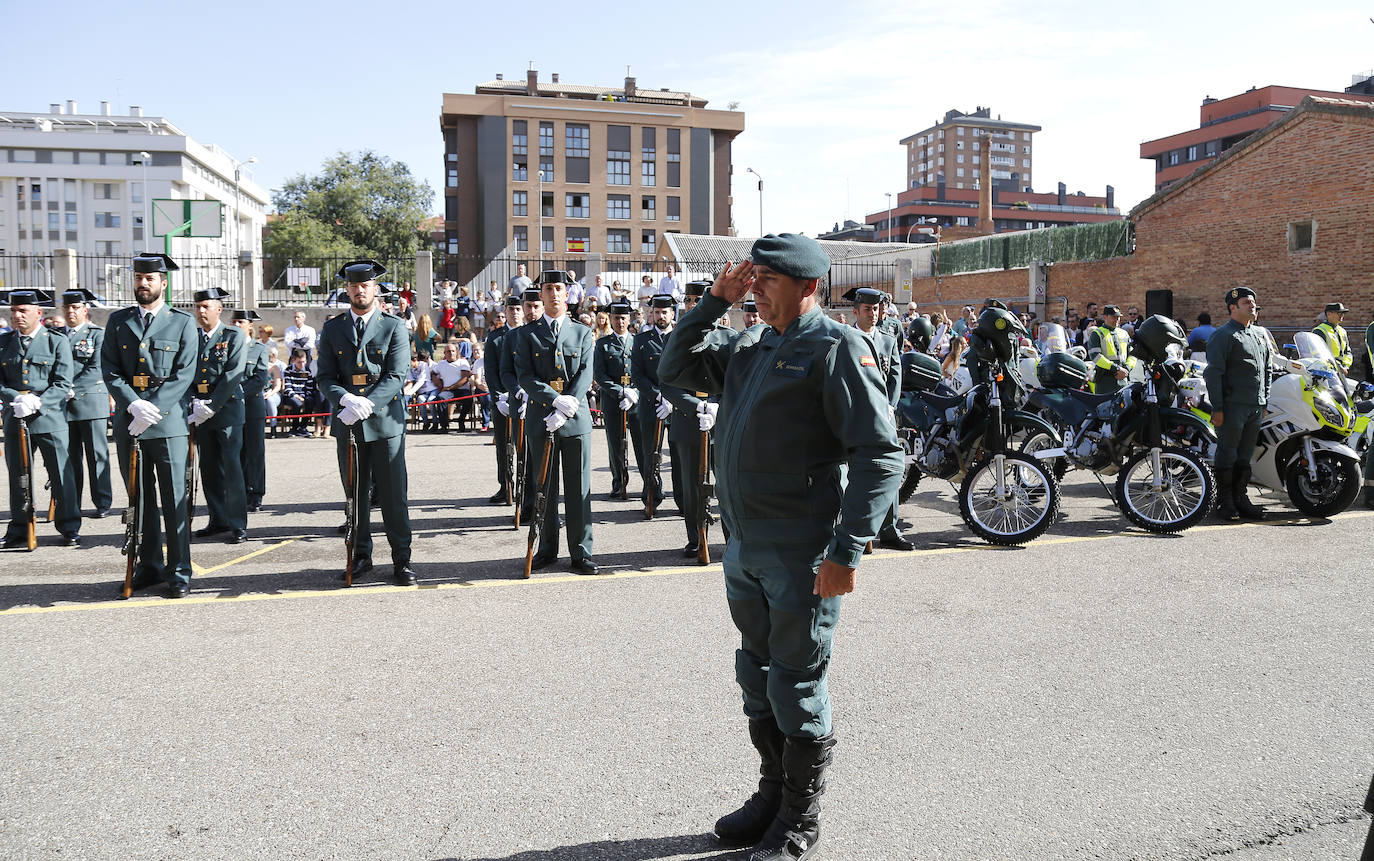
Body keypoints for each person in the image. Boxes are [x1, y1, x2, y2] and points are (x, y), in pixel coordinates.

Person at [658, 233, 902, 861]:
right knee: (757, 672)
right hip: (746, 545)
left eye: (769, 279)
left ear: (808, 286)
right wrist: (713, 303)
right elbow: (674, 369)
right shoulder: (752, 345)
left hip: (801, 551)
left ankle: (799, 817)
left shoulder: (836, 348)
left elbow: (880, 455)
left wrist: (847, 551)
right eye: (753, 276)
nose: (756, 288)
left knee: (796, 681)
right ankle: (772, 793)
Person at [100, 253, 198, 597]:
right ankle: (149, 566)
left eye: (150, 278)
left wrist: (152, 408)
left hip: (167, 423)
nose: (143, 284)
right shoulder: (118, 321)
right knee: (138, 500)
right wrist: (133, 404)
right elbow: (110, 369)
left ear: (163, 283)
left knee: (174, 500)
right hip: (130, 421)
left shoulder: (182, 322)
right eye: (139, 278)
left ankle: (179, 571)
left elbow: (184, 373)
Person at [316, 259, 415, 585]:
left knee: (393, 496)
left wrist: (367, 404)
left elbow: (396, 375)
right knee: (355, 495)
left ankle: (402, 559)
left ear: (375, 289)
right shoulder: (333, 329)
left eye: (365, 285)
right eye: (354, 285)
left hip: (385, 423)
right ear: (347, 290)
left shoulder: (393, 326)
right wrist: (345, 399)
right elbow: (325, 376)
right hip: (348, 422)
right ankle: (361, 555)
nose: (359, 290)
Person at [512, 278, 597, 575]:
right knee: (544, 489)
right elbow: (525, 375)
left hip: (575, 419)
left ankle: (581, 551)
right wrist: (554, 401)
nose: (554, 294)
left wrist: (568, 404)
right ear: (541, 294)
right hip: (543, 419)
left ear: (567, 293)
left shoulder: (582, 332)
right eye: (548, 289)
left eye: (559, 289)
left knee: (578, 488)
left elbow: (585, 372)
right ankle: (547, 549)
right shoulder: (527, 334)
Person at [1, 290, 81, 548]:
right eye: (14, 311)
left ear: (38, 313)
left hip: (49, 417)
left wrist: (39, 401)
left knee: (61, 474)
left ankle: (69, 526)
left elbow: (63, 382)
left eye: (23, 311)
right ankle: (20, 528)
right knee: (18, 476)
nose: (17, 315)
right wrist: (16, 397)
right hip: (16, 416)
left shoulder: (56, 341)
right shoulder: (3, 342)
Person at [660, 280, 727, 557]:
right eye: (688, 300)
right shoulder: (673, 339)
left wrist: (716, 406)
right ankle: (696, 538)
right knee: (692, 486)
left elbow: (734, 381)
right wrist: (696, 406)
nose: (691, 305)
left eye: (698, 300)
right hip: (688, 420)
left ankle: (731, 539)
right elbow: (667, 382)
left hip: (721, 422)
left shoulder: (729, 338)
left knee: (725, 485)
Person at [847, 287, 910, 551]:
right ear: (856, 311)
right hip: (854, 415)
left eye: (875, 309)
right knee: (853, 473)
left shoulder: (887, 339)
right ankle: (855, 532)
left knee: (889, 470)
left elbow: (895, 374)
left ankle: (890, 530)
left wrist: (890, 407)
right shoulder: (846, 338)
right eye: (867, 309)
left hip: (883, 416)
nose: (873, 314)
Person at [187, 288, 249, 544]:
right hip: (200, 412)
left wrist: (211, 406)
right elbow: (184, 372)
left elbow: (233, 374)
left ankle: (237, 523)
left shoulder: (233, 336)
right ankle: (218, 518)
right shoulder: (192, 337)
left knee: (231, 468)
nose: (200, 311)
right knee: (209, 468)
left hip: (227, 411)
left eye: (206, 306)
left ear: (219, 309)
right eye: (197, 306)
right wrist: (193, 402)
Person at [1204, 286, 1271, 522]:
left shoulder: (1259, 334)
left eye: (1253, 302)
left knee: (1245, 455)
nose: (1252, 305)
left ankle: (1241, 499)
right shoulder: (1223, 335)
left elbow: (1267, 369)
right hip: (1232, 406)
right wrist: (1218, 408)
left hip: (1255, 406)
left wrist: (1264, 400)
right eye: (1246, 302)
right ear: (1233, 308)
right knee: (1228, 452)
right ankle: (1225, 501)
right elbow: (1213, 374)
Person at [61, 289, 113, 518]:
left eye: (75, 307)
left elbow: (97, 368)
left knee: (97, 455)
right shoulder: (57, 335)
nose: (71, 311)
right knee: (70, 458)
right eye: (67, 307)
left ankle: (102, 501)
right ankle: (72, 502)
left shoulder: (97, 335)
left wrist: (71, 388)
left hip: (91, 402)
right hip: (63, 406)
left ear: (85, 310)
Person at [593, 298, 642, 500]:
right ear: (610, 319)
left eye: (623, 318)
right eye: (616, 318)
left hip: (636, 401)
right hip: (613, 400)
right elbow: (600, 374)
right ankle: (619, 481)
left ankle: (649, 482)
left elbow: (645, 371)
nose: (620, 322)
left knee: (641, 443)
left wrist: (634, 391)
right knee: (615, 444)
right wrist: (619, 391)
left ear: (629, 319)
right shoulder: (603, 344)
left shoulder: (638, 341)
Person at [632, 295, 675, 515]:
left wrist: (672, 397)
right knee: (650, 454)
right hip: (651, 404)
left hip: (677, 405)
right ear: (652, 314)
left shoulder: (680, 337)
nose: (661, 316)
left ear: (672, 314)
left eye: (664, 312)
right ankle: (651, 497)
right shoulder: (642, 340)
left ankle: (683, 500)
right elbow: (637, 374)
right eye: (657, 312)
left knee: (679, 456)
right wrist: (658, 396)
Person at [485, 296, 521, 504]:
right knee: (503, 445)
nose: (514, 312)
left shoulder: (529, 334)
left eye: (518, 309)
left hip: (524, 398)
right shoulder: (495, 338)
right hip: (502, 399)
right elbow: (491, 370)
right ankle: (505, 485)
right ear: (505, 312)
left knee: (525, 445)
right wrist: (499, 396)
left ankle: (526, 486)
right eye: (511, 309)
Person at [234, 310, 271, 513]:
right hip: (230, 408)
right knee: (236, 451)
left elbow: (259, 379)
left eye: (240, 321)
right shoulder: (227, 347)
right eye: (233, 321)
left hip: (251, 406)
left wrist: (235, 394)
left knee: (255, 451)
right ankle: (239, 492)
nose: (236, 325)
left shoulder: (259, 348)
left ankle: (256, 493)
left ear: (250, 325)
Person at [1086, 305, 1135, 394]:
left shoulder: (1124, 334)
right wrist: (1116, 369)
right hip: (1105, 382)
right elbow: (1096, 357)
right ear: (1105, 317)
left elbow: (1133, 354)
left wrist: (1127, 368)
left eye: (1118, 317)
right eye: (1113, 317)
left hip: (1123, 380)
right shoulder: (1097, 333)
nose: (1116, 320)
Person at [280, 349, 319, 437]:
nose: (302, 364)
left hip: (304, 396)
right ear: (293, 360)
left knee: (310, 401)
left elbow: (309, 388)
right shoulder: (288, 370)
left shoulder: (308, 371)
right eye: (299, 362)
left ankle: (303, 427)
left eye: (304, 362)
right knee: (296, 403)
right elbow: (287, 388)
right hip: (291, 396)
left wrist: (303, 396)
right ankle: (294, 428)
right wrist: (297, 396)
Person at [1313, 302, 1353, 374]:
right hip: (1326, 371)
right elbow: (1318, 354)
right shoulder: (1320, 331)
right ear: (1329, 314)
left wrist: (1345, 366)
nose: (1342, 315)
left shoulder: (1342, 331)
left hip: (1341, 371)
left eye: (1343, 313)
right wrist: (1337, 367)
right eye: (1339, 313)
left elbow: (1347, 352)